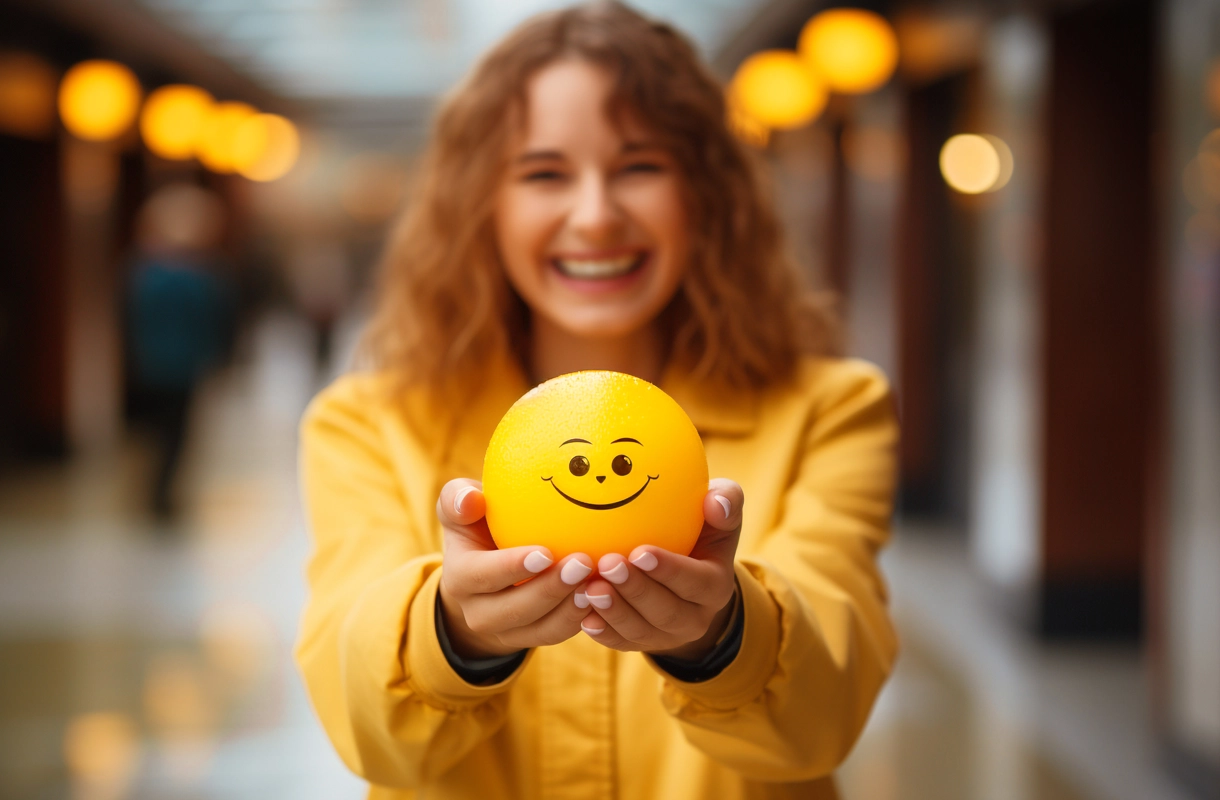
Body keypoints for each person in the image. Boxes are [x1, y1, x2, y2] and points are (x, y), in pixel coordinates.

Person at [296, 3, 899, 798]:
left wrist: (723, 634)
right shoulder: (368, 426)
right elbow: (362, 723)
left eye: (640, 166)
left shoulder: (831, 409)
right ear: (482, 203)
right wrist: (453, 632)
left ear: (707, 194)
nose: (595, 216)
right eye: (544, 174)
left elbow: (827, 708)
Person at [125, 183, 232, 518]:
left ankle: (155, 492)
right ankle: (162, 494)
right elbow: (217, 321)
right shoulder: (200, 276)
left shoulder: (140, 271)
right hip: (182, 365)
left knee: (154, 434)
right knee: (175, 434)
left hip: (148, 364)